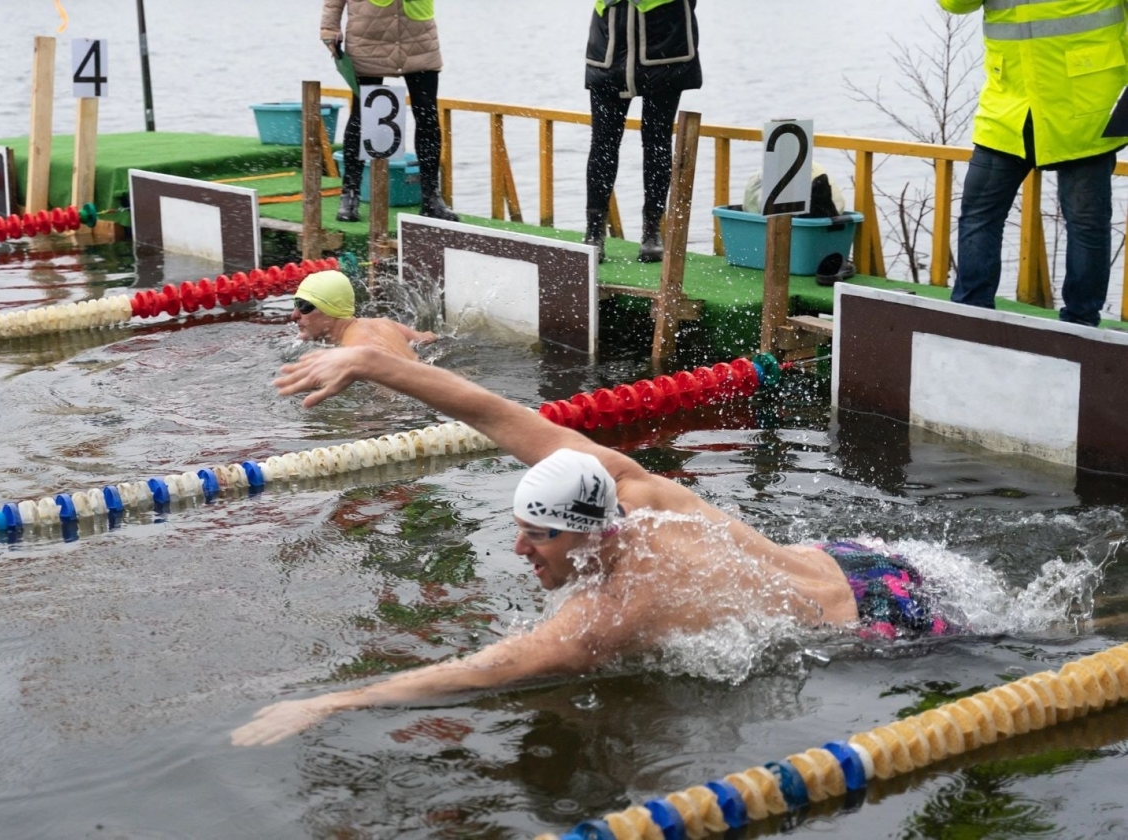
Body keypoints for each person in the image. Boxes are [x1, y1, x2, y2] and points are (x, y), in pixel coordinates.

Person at [231, 348, 956, 746]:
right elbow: (493, 412)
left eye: (536, 535)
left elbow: (483, 673)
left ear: (584, 532)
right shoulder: (629, 487)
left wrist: (333, 704)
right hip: (859, 558)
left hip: (879, 627)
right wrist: (369, 361)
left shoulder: (609, 616)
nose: (519, 549)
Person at [942, 0, 1128, 327]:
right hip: (1010, 108)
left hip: (1084, 109)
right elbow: (954, 4)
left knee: (1086, 224)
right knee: (978, 215)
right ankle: (970, 319)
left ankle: (1080, 327)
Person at [583, 0, 702, 264]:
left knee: (657, 140)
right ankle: (594, 232)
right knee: (603, 142)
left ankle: (652, 231)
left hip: (664, 44)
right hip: (609, 44)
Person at [321, 0, 459, 224]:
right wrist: (329, 28)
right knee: (362, 116)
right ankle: (350, 194)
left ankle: (431, 198)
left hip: (418, 35)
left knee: (427, 117)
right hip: (368, 35)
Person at [290, 269, 436, 359]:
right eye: (296, 304)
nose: (294, 315)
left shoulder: (358, 353)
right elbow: (430, 337)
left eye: (304, 306)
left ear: (331, 310)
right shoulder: (383, 324)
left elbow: (396, 401)